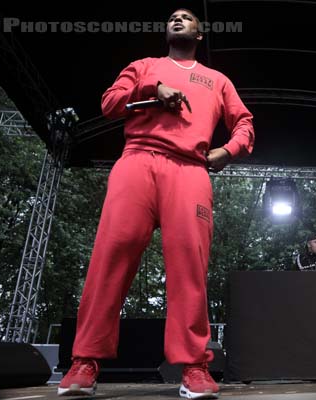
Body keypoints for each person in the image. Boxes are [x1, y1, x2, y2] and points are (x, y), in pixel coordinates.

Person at [58, 8, 254, 399]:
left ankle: (195, 367)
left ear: (200, 34)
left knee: (189, 263)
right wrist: (152, 89)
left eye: (187, 17)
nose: (177, 19)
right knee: (111, 254)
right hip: (137, 160)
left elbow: (244, 123)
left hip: (190, 170)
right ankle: (84, 362)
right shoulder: (144, 66)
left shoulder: (217, 80)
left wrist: (229, 151)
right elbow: (110, 103)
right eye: (172, 17)